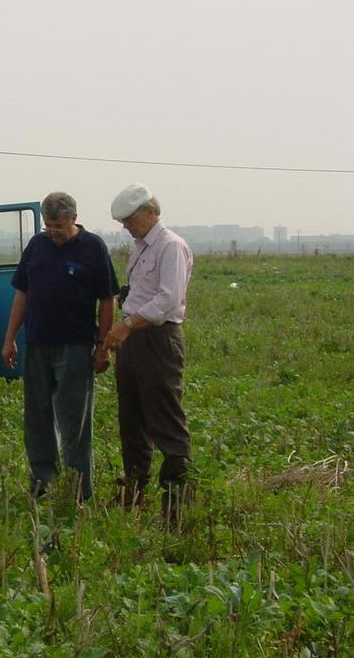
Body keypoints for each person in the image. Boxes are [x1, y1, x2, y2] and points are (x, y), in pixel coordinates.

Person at [1, 192, 119, 501]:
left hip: (76, 346)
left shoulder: (93, 248)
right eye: (48, 225)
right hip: (38, 342)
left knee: (73, 420)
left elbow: (107, 300)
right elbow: (22, 293)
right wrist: (10, 338)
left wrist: (102, 346)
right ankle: (42, 483)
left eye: (59, 226)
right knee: (37, 417)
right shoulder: (36, 246)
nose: (53, 231)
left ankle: (79, 490)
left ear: (74, 219)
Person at [103, 184, 194, 518]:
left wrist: (126, 325)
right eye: (124, 221)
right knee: (132, 419)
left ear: (151, 212)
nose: (126, 225)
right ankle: (135, 491)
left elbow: (167, 300)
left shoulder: (170, 246)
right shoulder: (140, 247)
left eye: (131, 219)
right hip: (134, 337)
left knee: (165, 421)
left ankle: (176, 505)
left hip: (157, 338)